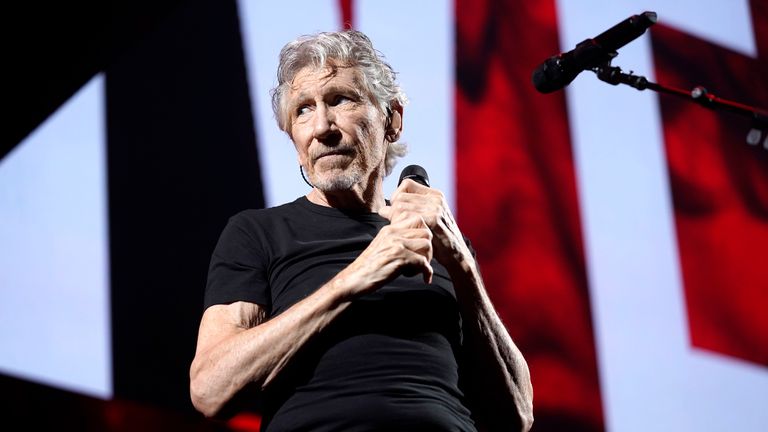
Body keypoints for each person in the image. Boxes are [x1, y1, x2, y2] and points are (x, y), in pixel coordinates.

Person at [189, 29, 533, 432]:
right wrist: (356, 277)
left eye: (340, 99)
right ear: (293, 139)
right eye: (303, 109)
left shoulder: (442, 241)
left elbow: (517, 415)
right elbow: (210, 390)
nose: (321, 127)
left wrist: (461, 264)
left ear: (393, 120)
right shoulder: (259, 232)